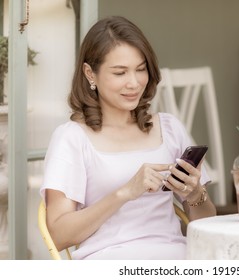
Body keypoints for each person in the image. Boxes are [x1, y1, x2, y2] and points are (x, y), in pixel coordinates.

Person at [40, 16, 216, 260]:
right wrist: (125, 192)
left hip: (176, 257)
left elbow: (208, 228)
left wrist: (195, 194)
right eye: (120, 72)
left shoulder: (170, 129)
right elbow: (59, 234)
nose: (134, 83)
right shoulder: (71, 138)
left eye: (141, 69)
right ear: (90, 73)